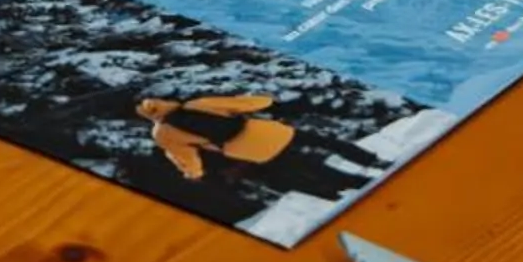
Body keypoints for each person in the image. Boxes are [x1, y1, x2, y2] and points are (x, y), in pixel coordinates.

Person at [137, 94, 385, 200]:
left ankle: (359, 185)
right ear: (164, 101)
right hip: (266, 131)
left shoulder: (163, 133)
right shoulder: (197, 104)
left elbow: (185, 156)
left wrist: (194, 174)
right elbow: (241, 103)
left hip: (247, 149)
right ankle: (373, 161)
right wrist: (267, 100)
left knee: (307, 165)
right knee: (325, 142)